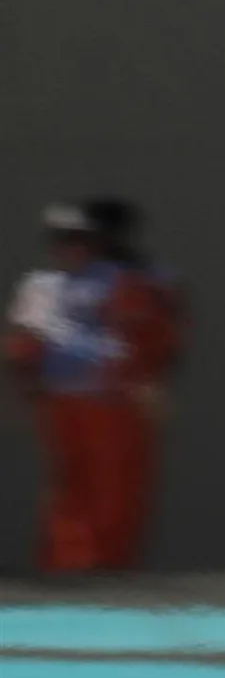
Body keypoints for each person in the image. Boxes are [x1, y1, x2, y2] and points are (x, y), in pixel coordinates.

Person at [6, 202, 177, 572]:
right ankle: (69, 566)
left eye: (79, 239)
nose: (70, 247)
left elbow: (149, 335)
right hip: (68, 399)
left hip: (112, 398)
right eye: (62, 239)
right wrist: (26, 387)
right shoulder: (44, 285)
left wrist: (147, 380)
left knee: (115, 488)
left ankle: (106, 566)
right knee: (74, 484)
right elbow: (25, 343)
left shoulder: (126, 280)